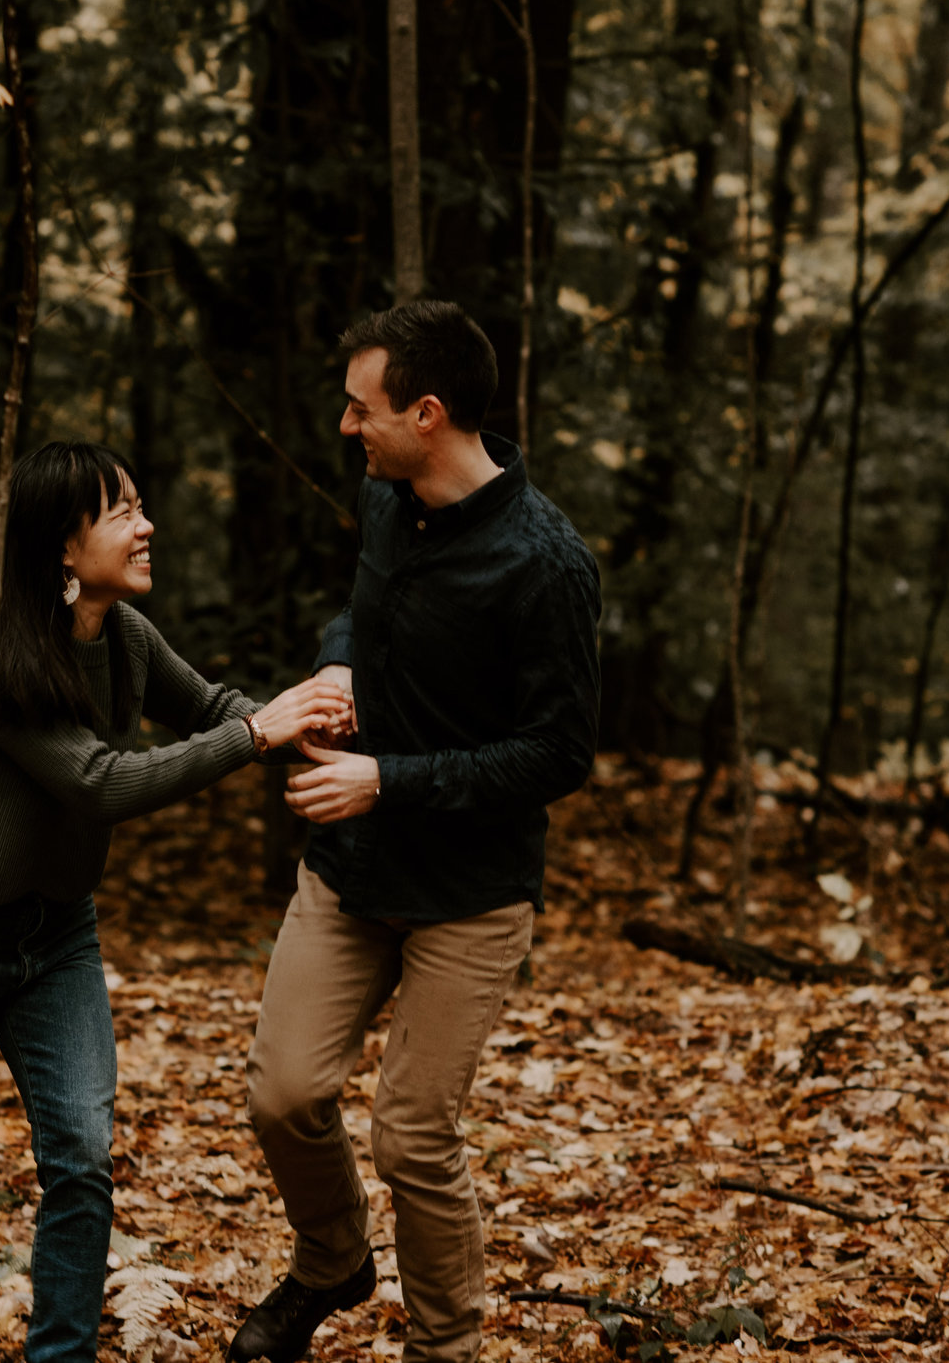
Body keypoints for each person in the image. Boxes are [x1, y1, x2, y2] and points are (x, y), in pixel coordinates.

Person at [0, 440, 355, 1363]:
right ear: (63, 549)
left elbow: (213, 707)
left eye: (143, 505)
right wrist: (256, 733)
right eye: (123, 513)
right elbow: (101, 783)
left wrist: (304, 723)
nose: (148, 527)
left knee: (82, 1156)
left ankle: (58, 1357)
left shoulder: (126, 639)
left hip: (57, 935)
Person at [234, 301, 601, 1363]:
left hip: (471, 893)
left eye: (363, 409)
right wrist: (343, 659)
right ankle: (332, 1261)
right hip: (351, 873)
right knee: (284, 1094)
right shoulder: (389, 503)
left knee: (411, 1136)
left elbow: (558, 756)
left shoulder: (547, 565)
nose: (347, 428)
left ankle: (445, 1349)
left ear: (426, 414)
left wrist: (387, 779)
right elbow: (364, 608)